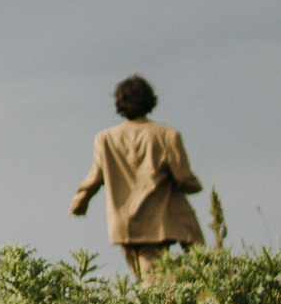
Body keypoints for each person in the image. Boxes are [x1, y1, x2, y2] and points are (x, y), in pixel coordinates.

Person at [70, 74, 204, 278]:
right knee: (173, 275)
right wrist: (196, 186)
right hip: (160, 220)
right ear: (150, 101)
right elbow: (184, 179)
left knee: (145, 278)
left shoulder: (105, 138)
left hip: (125, 222)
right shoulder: (167, 135)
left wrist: (79, 202)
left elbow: (95, 178)